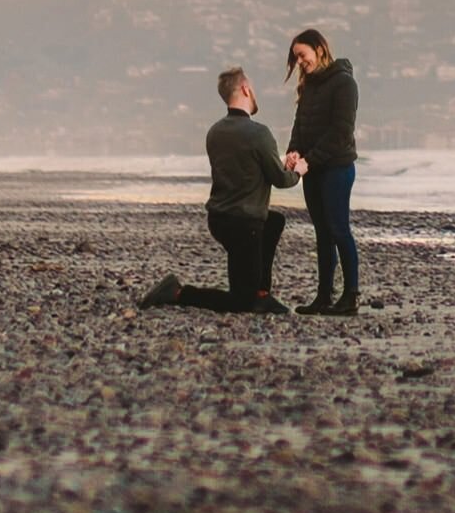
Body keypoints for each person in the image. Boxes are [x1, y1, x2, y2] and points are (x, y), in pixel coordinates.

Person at [137, 65, 294, 314]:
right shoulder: (259, 133)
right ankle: (177, 292)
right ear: (245, 89)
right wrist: (298, 170)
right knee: (241, 302)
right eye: (251, 87)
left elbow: (246, 172)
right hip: (245, 226)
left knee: (274, 221)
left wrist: (280, 166)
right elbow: (281, 180)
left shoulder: (215, 132)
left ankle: (261, 293)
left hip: (220, 221)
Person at [284, 27, 361, 316]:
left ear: (319, 49)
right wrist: (293, 152)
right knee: (322, 234)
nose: (300, 62)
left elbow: (341, 132)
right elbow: (300, 124)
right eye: (296, 58)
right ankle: (323, 296)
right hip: (312, 169)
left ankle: (350, 296)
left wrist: (311, 161)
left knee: (339, 230)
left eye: (302, 55)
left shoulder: (344, 83)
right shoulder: (309, 84)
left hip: (337, 168)